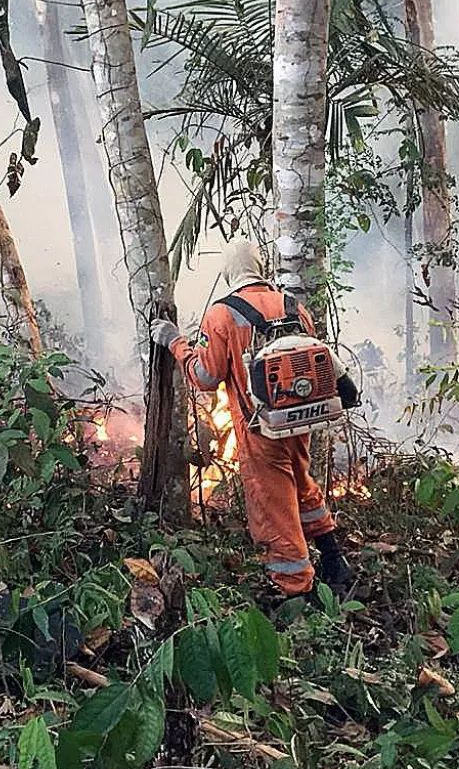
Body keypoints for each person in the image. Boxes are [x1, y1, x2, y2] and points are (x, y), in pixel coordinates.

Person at [150, 239, 357, 599]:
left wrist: (176, 343)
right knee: (302, 484)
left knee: (273, 508)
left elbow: (205, 377)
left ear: (227, 272)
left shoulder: (222, 315)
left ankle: (298, 594)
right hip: (301, 420)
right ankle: (333, 559)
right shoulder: (293, 306)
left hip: (261, 429)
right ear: (260, 267)